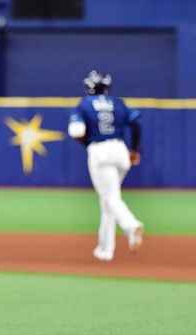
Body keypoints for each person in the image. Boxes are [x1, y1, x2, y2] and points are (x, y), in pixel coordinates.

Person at [68, 70, 144, 261]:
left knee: (110, 198)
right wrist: (134, 150)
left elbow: (76, 131)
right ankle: (105, 249)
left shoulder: (84, 104)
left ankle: (131, 225)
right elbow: (136, 125)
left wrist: (89, 143)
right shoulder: (117, 103)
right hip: (120, 150)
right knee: (109, 200)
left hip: (100, 151)